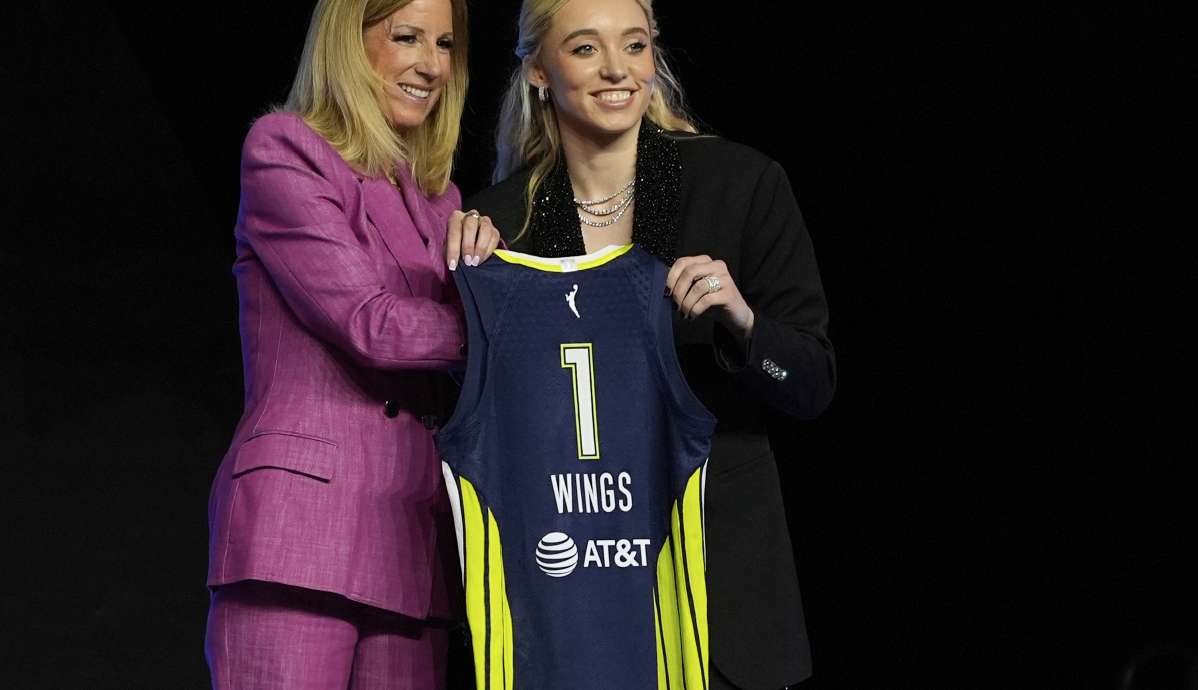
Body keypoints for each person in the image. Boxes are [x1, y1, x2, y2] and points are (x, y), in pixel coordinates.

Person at [463, 0, 836, 688]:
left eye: (634, 46)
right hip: (574, 608)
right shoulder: (500, 221)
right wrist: (465, 270)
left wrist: (745, 324)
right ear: (539, 70)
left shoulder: (738, 184)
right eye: (584, 49)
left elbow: (810, 382)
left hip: (721, 608)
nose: (616, 70)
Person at [204, 0, 499, 687]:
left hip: (413, 543)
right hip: (300, 537)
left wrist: (505, 277)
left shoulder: (445, 201)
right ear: (347, 42)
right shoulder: (285, 149)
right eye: (406, 37)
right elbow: (374, 324)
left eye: (445, 44)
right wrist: (505, 328)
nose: (430, 64)